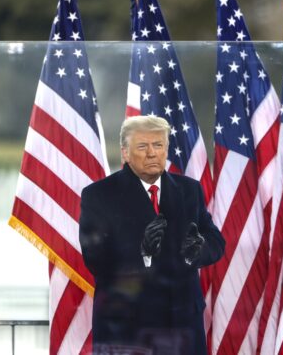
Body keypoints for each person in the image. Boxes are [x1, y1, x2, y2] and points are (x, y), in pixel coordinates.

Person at [79, 115, 224, 354]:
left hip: (183, 327)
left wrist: (197, 251)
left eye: (158, 145)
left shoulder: (189, 190)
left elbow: (216, 241)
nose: (152, 153)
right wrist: (142, 252)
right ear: (125, 152)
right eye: (142, 146)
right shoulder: (99, 195)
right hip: (127, 330)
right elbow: (95, 259)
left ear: (166, 149)